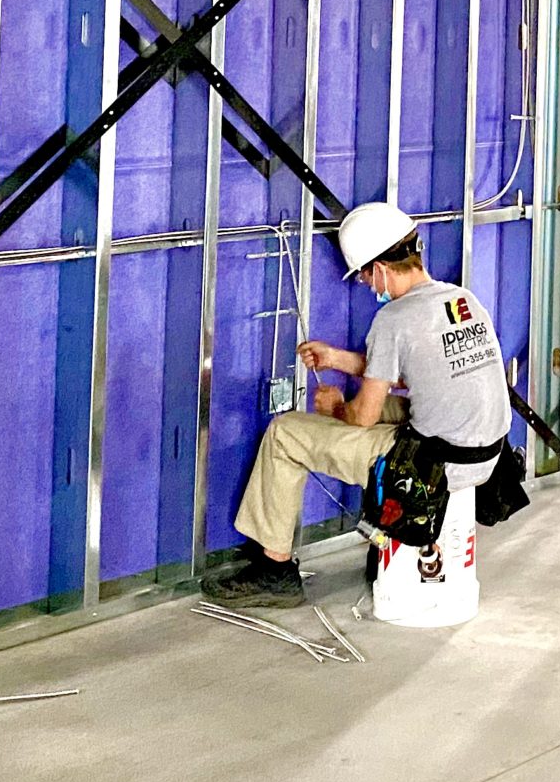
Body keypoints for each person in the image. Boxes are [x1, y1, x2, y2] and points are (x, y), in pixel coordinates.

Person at [210, 200, 510, 608]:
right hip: (486, 455)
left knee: (285, 434)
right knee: (381, 408)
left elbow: (363, 416)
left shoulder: (393, 319)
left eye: (366, 275)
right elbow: (409, 376)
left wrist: (335, 408)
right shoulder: (461, 300)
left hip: (433, 469)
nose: (368, 285)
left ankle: (274, 569)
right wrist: (335, 359)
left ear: (382, 268)